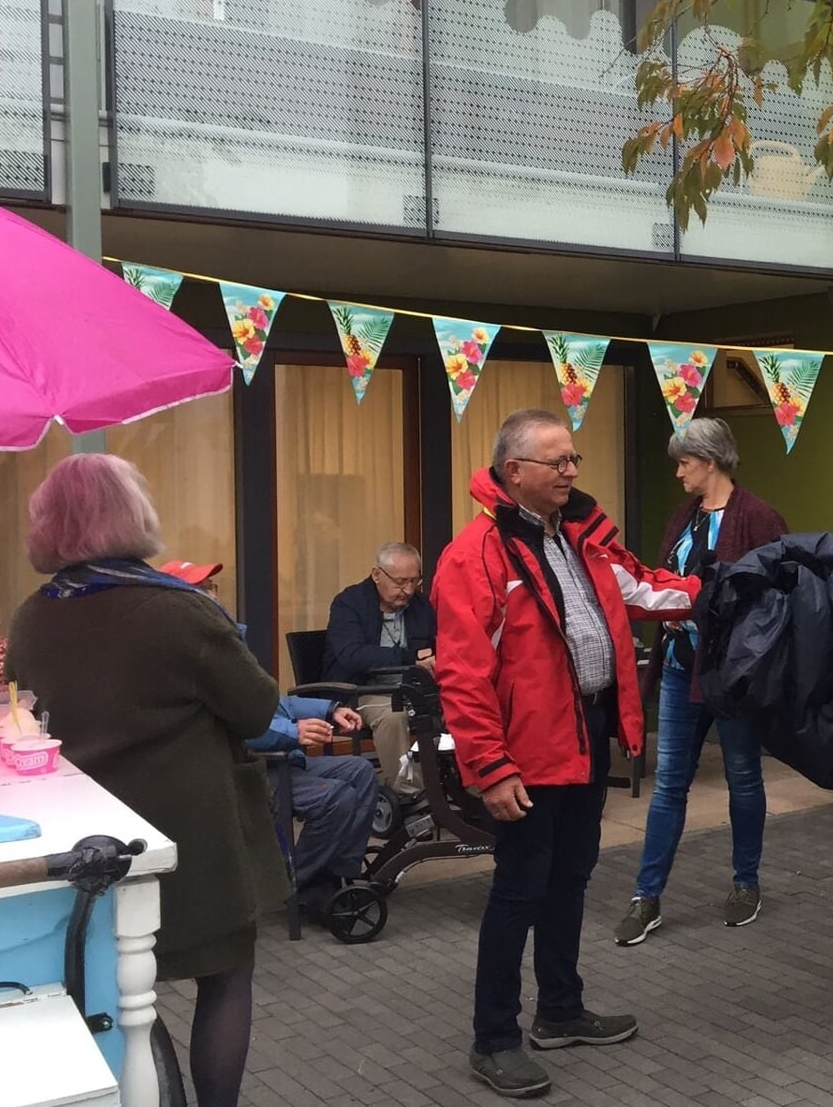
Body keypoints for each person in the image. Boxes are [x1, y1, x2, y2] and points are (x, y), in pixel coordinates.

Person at [432, 407, 699, 1098]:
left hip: (583, 736)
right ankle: (493, 1038)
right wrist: (488, 767)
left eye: (574, 459)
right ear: (513, 471)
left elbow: (644, 591)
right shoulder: (474, 556)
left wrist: (721, 588)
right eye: (558, 462)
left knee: (570, 880)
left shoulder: (579, 540)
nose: (572, 472)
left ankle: (559, 1010)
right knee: (517, 891)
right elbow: (462, 676)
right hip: (525, 754)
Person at [8, 455, 286, 1107]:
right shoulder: (179, 610)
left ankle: (151, 1091)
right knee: (224, 977)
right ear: (133, 515)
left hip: (90, 843)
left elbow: (29, 712)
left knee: (120, 984)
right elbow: (254, 708)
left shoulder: (32, 616)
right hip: (195, 843)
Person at [615, 418, 787, 946]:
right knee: (669, 782)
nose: (678, 471)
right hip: (679, 665)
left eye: (684, 462)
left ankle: (745, 883)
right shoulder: (685, 517)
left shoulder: (758, 517)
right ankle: (647, 896)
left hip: (732, 672)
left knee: (743, 776)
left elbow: (780, 594)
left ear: (709, 461)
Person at [159, 561, 382, 925]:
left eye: (212, 586)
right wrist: (293, 732)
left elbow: (272, 700)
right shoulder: (192, 655)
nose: (214, 594)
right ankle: (296, 884)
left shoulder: (227, 639)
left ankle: (334, 877)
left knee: (360, 772)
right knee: (335, 797)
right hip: (246, 769)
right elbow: (238, 722)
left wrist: (329, 709)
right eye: (202, 589)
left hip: (277, 757)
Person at [322, 542, 436, 799]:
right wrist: (412, 658)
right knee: (392, 716)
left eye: (414, 581)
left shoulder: (420, 606)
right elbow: (352, 656)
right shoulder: (348, 604)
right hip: (361, 689)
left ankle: (463, 789)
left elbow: (436, 645)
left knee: (463, 705)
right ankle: (411, 794)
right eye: (400, 582)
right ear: (377, 575)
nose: (407, 590)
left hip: (412, 687)